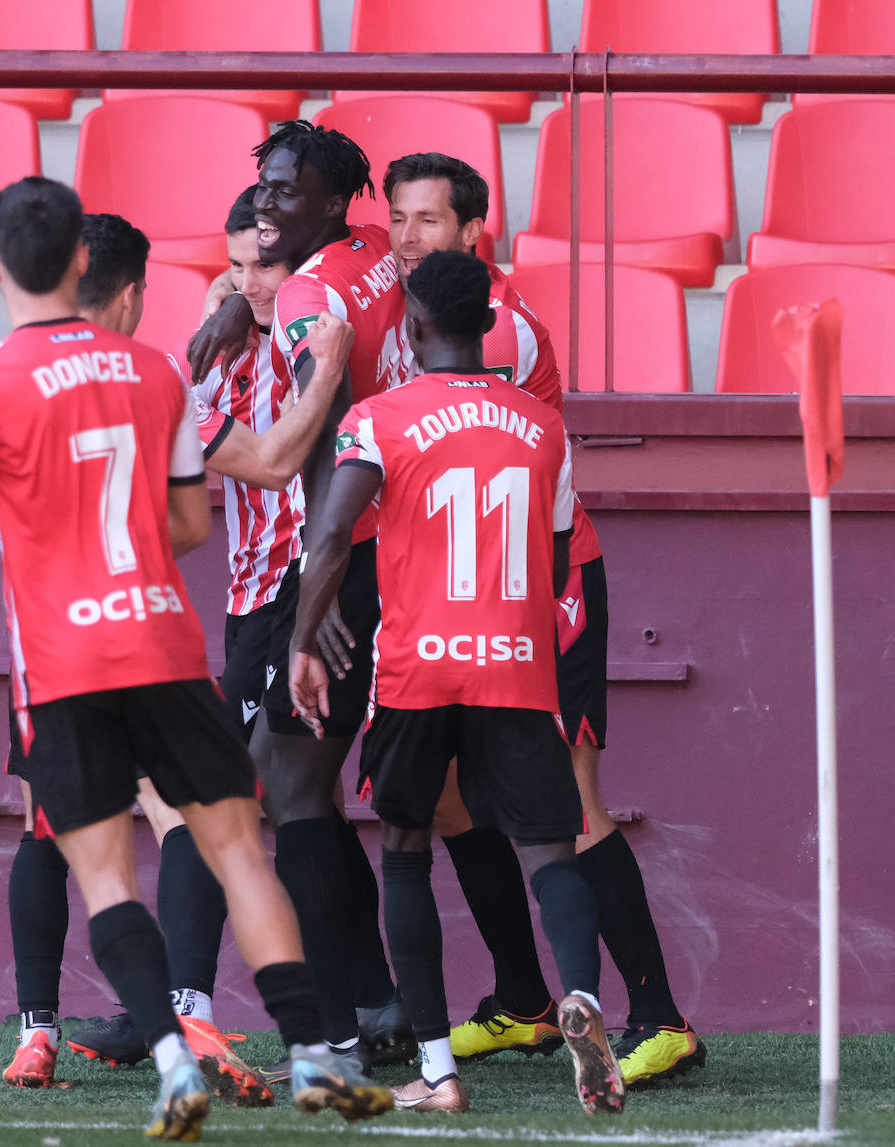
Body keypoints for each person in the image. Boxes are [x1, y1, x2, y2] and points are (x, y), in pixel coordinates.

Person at [0, 177, 393, 1139]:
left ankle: (173, 1064)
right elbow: (187, 523)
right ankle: (308, 1056)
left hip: (63, 658)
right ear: (87, 263)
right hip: (164, 643)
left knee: (102, 874)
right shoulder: (157, 374)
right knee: (241, 853)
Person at [1, 208, 354, 1099]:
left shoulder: (0, 379)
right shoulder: (158, 379)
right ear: (131, 293)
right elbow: (256, 474)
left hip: (52, 640)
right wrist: (332, 368)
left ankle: (45, 1028)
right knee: (216, 826)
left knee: (58, 832)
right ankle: (249, 1027)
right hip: (154, 629)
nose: (241, 284)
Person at [382, 152, 705, 1085]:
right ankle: (526, 1002)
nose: (407, 239)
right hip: (468, 588)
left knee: (571, 798)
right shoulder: (425, 306)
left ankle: (658, 1016)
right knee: (448, 796)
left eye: (429, 223)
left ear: (475, 233)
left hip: (542, 582)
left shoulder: (498, 329)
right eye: (397, 220)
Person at [289, 249, 626, 1116]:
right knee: (551, 850)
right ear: (487, 324)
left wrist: (303, 639)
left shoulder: (378, 417)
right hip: (517, 663)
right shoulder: (544, 425)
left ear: (410, 326)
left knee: (404, 853)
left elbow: (329, 538)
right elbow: (554, 560)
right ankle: (581, 995)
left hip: (416, 667)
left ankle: (438, 1073)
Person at [187, 122, 412, 1074]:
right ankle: (367, 1007)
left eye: (290, 193)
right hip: (354, 567)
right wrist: (239, 299)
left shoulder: (314, 292)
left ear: (333, 202)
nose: (273, 208)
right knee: (295, 795)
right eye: (264, 190)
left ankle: (332, 1036)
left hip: (315, 577)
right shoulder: (365, 257)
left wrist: (318, 605)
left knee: (272, 794)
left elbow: (322, 454)